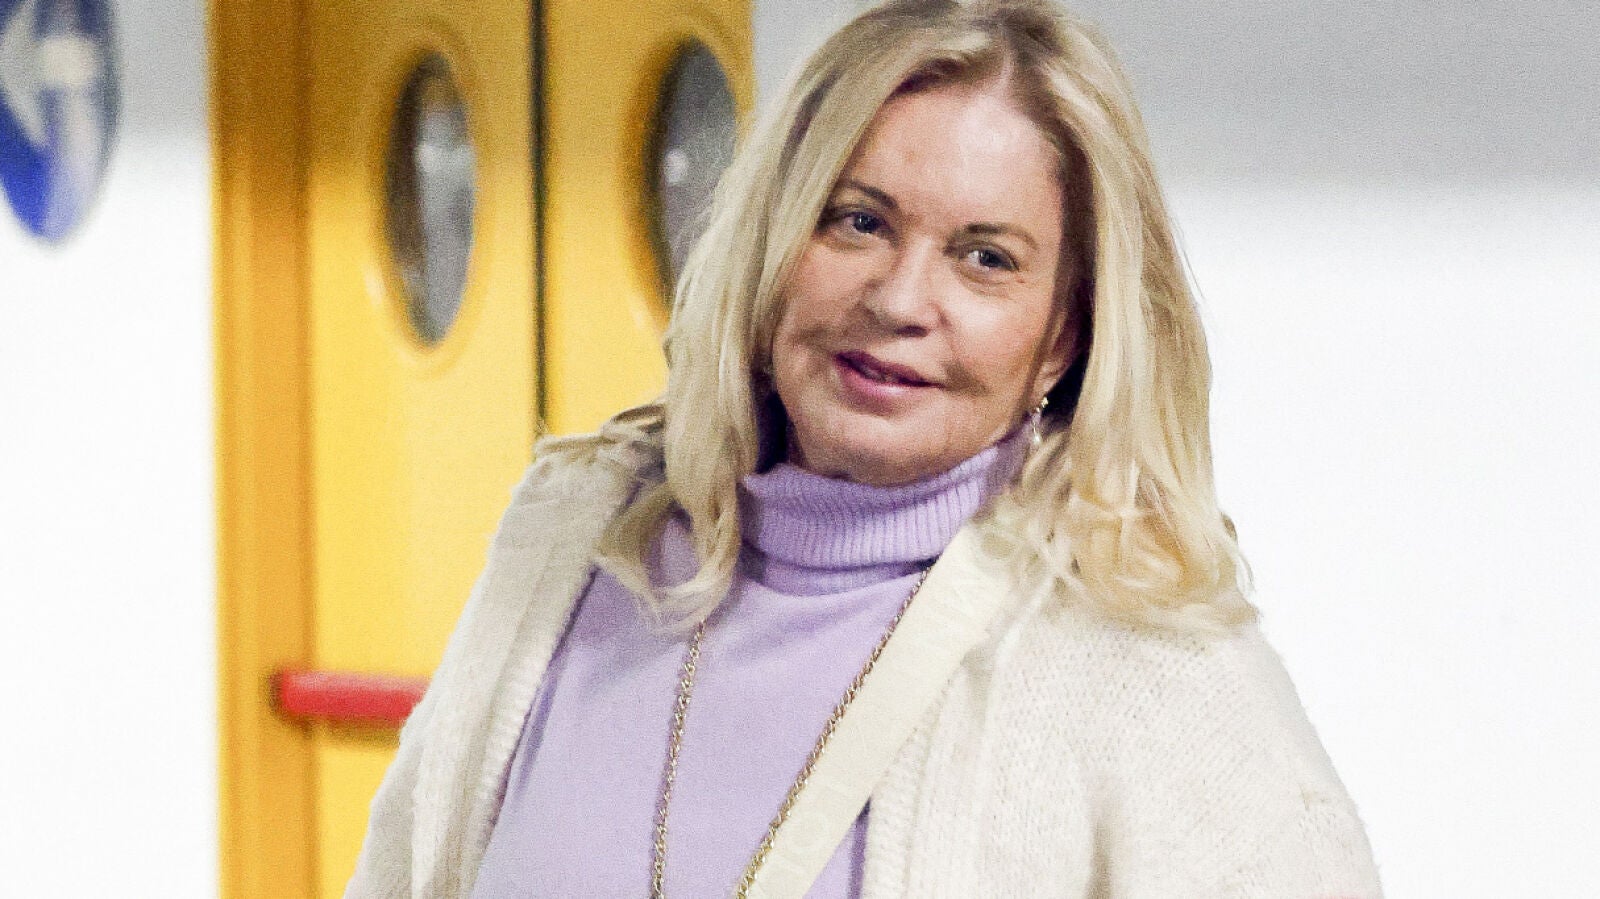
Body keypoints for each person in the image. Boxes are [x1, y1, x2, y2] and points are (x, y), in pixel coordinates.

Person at [347, 0, 1383, 896]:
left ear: (1065, 334)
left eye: (985, 258)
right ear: (773, 240)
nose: (898, 298)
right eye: (857, 222)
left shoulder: (1150, 667)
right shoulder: (572, 543)